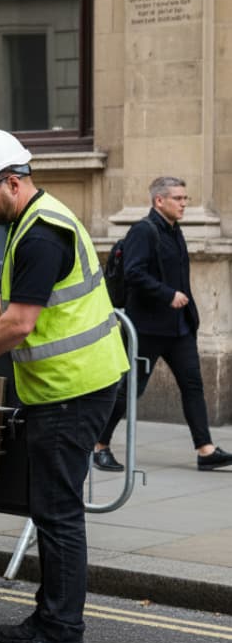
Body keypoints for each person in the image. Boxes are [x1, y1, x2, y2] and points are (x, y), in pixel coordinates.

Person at [0, 129, 129, 643]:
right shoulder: (35, 221)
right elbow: (8, 300)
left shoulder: (42, 235)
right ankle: (49, 618)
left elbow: (20, 323)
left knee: (59, 515)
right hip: (68, 389)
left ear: (12, 183)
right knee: (49, 512)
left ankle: (63, 637)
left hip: (74, 391)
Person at [91, 177, 232, 473]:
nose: (184, 204)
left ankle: (205, 450)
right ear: (159, 201)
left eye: (185, 198)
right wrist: (168, 295)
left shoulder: (173, 230)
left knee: (192, 385)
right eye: (178, 198)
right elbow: (133, 273)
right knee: (129, 390)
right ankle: (99, 445)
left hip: (179, 328)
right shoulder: (143, 231)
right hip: (147, 328)